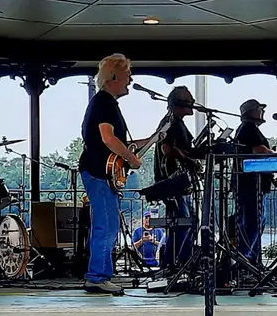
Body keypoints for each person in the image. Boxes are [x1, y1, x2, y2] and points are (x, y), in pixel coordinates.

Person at [78, 53, 141, 295]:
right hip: (98, 171)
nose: (131, 80)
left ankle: (101, 275)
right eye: (127, 75)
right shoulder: (103, 102)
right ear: (113, 77)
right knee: (106, 225)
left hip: (101, 172)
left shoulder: (106, 102)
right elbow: (107, 138)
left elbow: (116, 140)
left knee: (110, 224)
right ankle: (97, 276)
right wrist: (131, 159)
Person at [155, 85, 199, 273]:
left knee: (189, 222)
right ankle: (171, 266)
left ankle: (184, 264)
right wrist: (189, 159)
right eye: (189, 100)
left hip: (180, 183)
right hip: (172, 182)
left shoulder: (177, 122)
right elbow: (167, 148)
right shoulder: (170, 122)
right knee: (181, 224)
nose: (193, 103)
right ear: (179, 102)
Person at [234, 99, 274, 268]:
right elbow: (259, 151)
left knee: (255, 222)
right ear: (250, 112)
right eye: (259, 109)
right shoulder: (249, 129)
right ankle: (246, 260)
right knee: (253, 222)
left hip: (252, 185)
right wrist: (275, 155)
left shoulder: (246, 129)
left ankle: (252, 260)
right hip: (250, 185)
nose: (262, 112)